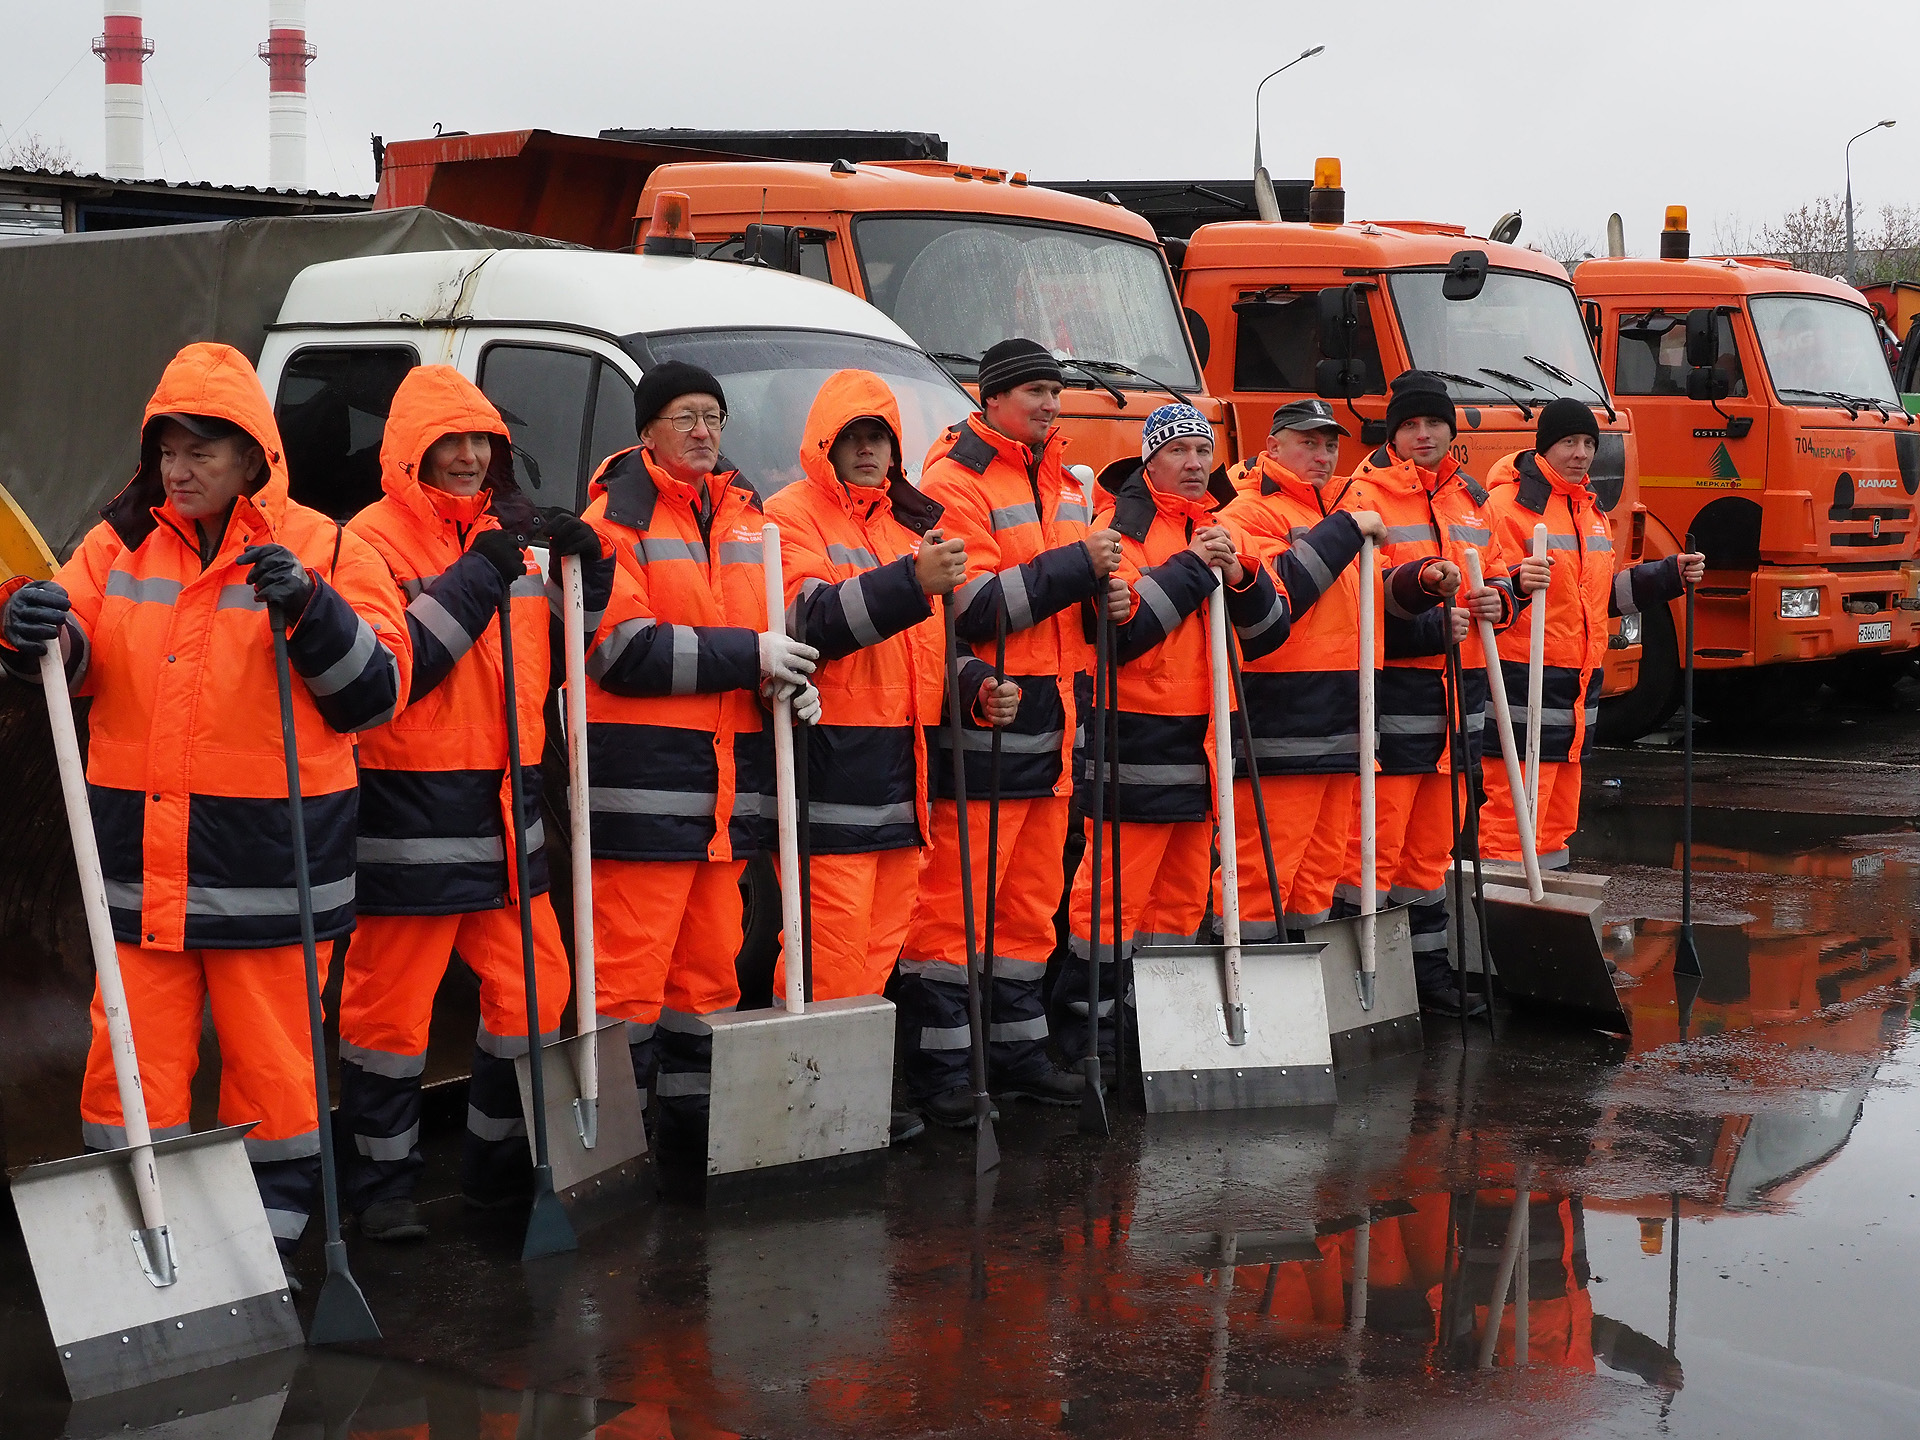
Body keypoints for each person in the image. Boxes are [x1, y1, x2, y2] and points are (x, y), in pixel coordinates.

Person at [0, 342, 408, 1276]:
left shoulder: (331, 548)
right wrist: (30, 633)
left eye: (202, 453)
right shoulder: (120, 543)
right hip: (143, 866)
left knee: (274, 1065)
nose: (179, 472)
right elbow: (73, 657)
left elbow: (375, 697)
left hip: (271, 865)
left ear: (253, 457)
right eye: (167, 452)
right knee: (129, 1065)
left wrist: (314, 610)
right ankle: (140, 1234)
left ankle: (269, 1235)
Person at [334, 365, 611, 1237]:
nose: (464, 457)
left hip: (509, 813)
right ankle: (381, 1197)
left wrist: (588, 570)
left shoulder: (509, 538)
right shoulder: (365, 546)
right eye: (447, 443)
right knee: (387, 1017)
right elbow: (392, 676)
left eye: (479, 442)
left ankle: (501, 1172)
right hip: (409, 820)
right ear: (408, 453)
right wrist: (486, 573)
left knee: (536, 999)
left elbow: (570, 645)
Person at [764, 368, 1015, 1145]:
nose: (869, 451)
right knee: (827, 955)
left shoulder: (909, 530)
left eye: (879, 438)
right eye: (854, 438)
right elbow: (809, 617)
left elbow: (927, 653)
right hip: (829, 772)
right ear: (825, 444)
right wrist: (912, 582)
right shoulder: (788, 516)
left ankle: (848, 1105)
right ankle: (804, 1114)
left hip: (903, 781)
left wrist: (975, 686)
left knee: (874, 956)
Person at [579, 361, 820, 1156]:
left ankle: (687, 1148)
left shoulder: (752, 523)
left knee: (706, 988)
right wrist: (754, 654)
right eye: (685, 416)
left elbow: (764, 641)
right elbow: (621, 652)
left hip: (723, 806)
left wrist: (789, 686)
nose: (703, 431)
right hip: (645, 802)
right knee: (625, 987)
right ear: (645, 431)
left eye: (713, 416)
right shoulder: (617, 519)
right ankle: (614, 1152)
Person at [895, 338, 1129, 1126]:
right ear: (991, 398)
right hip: (984, 733)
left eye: (1054, 391)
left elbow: (1086, 598)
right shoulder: (952, 481)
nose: (1049, 403)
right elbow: (976, 610)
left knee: (1028, 912)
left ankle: (1019, 1056)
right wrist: (1079, 570)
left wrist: (1110, 597)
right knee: (951, 915)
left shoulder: (1069, 481)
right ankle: (944, 1075)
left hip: (1052, 737)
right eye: (1032, 390)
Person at [1054, 404, 1287, 1072]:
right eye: (1179, 450)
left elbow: (1268, 633)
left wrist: (1240, 574)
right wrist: (1192, 567)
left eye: (1200, 451)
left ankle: (1150, 1036)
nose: (1193, 463)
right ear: (1150, 460)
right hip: (1135, 746)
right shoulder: (1118, 528)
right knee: (1110, 902)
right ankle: (1087, 1043)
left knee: (1182, 901)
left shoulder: (1215, 526)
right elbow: (1120, 637)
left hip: (1202, 752)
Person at [1333, 372, 1549, 1016]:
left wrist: (1500, 600)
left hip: (1461, 691)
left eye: (1433, 424)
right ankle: (1363, 979)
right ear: (1393, 433)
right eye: (1410, 426)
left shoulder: (1471, 498)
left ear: (1452, 431)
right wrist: (1432, 615)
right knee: (1375, 840)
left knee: (1430, 849)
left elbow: (1501, 580)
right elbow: (1357, 599)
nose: (1423, 436)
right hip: (1396, 690)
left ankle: (1428, 974)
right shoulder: (1362, 497)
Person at [1221, 400, 1455, 943]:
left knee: (1316, 877)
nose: (1323, 455)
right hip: (1284, 724)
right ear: (1272, 446)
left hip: (1343, 723)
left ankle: (1304, 989)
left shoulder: (1333, 512)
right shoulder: (1248, 513)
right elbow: (1279, 596)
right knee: (1263, 873)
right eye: (1309, 442)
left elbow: (1363, 604)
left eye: (1330, 445)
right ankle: (1253, 989)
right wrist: (1347, 528)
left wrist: (1419, 581)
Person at [1480, 398, 1701, 867]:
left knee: (1558, 812)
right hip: (1524, 672)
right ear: (1545, 447)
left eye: (1587, 444)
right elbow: (1489, 591)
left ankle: (1548, 910)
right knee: (1512, 806)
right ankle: (1503, 912)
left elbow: (1601, 596)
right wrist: (1518, 582)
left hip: (1579, 680)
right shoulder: (1507, 506)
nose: (1580, 453)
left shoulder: (1590, 511)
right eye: (1568, 442)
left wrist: (1668, 575)